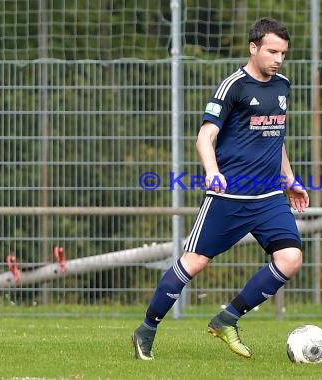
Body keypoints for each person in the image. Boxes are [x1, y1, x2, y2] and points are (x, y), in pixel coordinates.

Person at [132, 17, 309, 360]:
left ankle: (227, 319)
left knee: (290, 258)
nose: (278, 59)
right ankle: (147, 329)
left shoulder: (283, 86)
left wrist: (289, 179)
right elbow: (204, 137)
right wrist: (213, 172)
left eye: (283, 53)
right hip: (228, 197)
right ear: (253, 47)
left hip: (269, 197)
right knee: (192, 264)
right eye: (272, 51)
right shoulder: (233, 86)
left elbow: (277, 138)